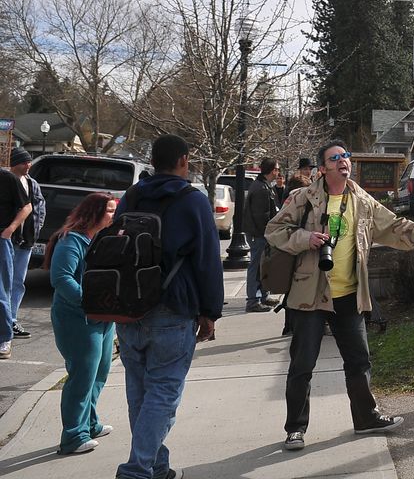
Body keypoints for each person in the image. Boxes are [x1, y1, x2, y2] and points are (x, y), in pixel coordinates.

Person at [265, 141, 414, 452]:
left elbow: (392, 224)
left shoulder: (361, 199)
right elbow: (274, 230)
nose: (343, 161)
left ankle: (366, 418)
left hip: (350, 294)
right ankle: (295, 429)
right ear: (323, 167)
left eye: (346, 156)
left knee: (359, 361)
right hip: (310, 296)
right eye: (335, 158)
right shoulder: (304, 198)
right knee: (302, 364)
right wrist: (306, 238)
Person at [114, 134, 224, 479]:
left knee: (140, 393)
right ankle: (136, 469)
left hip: (128, 307)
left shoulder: (131, 196)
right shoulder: (192, 201)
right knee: (163, 394)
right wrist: (210, 312)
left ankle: (156, 466)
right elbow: (208, 261)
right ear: (183, 160)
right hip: (172, 308)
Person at [45, 192, 117, 455]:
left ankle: (89, 423)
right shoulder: (70, 241)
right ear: (94, 213)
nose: (114, 215)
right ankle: (73, 436)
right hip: (77, 319)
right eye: (110, 210)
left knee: (99, 373)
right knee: (82, 376)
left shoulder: (98, 238)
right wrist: (89, 305)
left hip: (103, 318)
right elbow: (62, 279)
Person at [0, 147, 35, 360]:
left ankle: (4, 338)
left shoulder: (7, 179)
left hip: (2, 238)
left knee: (2, 291)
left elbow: (27, 207)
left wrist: (10, 229)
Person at [6, 148, 44, 344]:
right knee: (4, 282)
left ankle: (11, 319)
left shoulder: (31, 183)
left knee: (17, 282)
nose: (29, 165)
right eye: (25, 162)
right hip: (7, 240)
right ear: (15, 163)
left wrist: (35, 230)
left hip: (25, 242)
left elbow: (39, 207)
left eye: (30, 161)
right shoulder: (6, 181)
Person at [245, 158, 280, 313]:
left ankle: (263, 296)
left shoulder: (264, 186)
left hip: (260, 233)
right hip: (258, 234)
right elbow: (262, 216)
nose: (278, 172)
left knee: (263, 266)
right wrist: (268, 234)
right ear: (272, 170)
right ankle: (253, 301)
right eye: (277, 169)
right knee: (256, 266)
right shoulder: (261, 189)